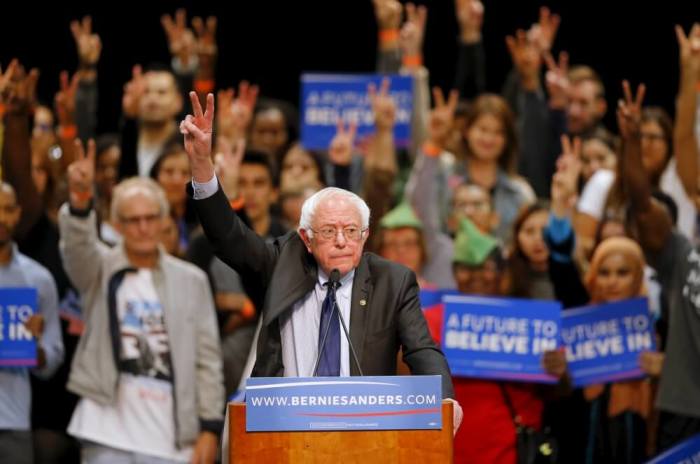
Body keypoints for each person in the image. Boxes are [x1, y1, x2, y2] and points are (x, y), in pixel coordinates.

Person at [179, 91, 461, 421]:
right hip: (285, 426)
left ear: (365, 235)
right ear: (307, 238)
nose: (342, 241)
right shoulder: (282, 261)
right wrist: (201, 164)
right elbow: (229, 238)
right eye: (328, 231)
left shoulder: (393, 281)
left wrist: (444, 400)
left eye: (351, 231)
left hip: (364, 428)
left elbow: (422, 349)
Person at [59, 140, 224, 463]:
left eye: (151, 217)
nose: (144, 227)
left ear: (165, 219)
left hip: (173, 436)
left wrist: (210, 427)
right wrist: (79, 202)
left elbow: (208, 361)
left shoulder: (191, 280)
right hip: (106, 431)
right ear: (118, 225)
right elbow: (78, 248)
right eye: (133, 220)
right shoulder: (100, 268)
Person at [0, 182, 64, 464]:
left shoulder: (38, 279)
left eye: (7, 209)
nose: (1, 218)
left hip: (14, 419)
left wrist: (34, 346)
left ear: (18, 214)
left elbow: (52, 357)